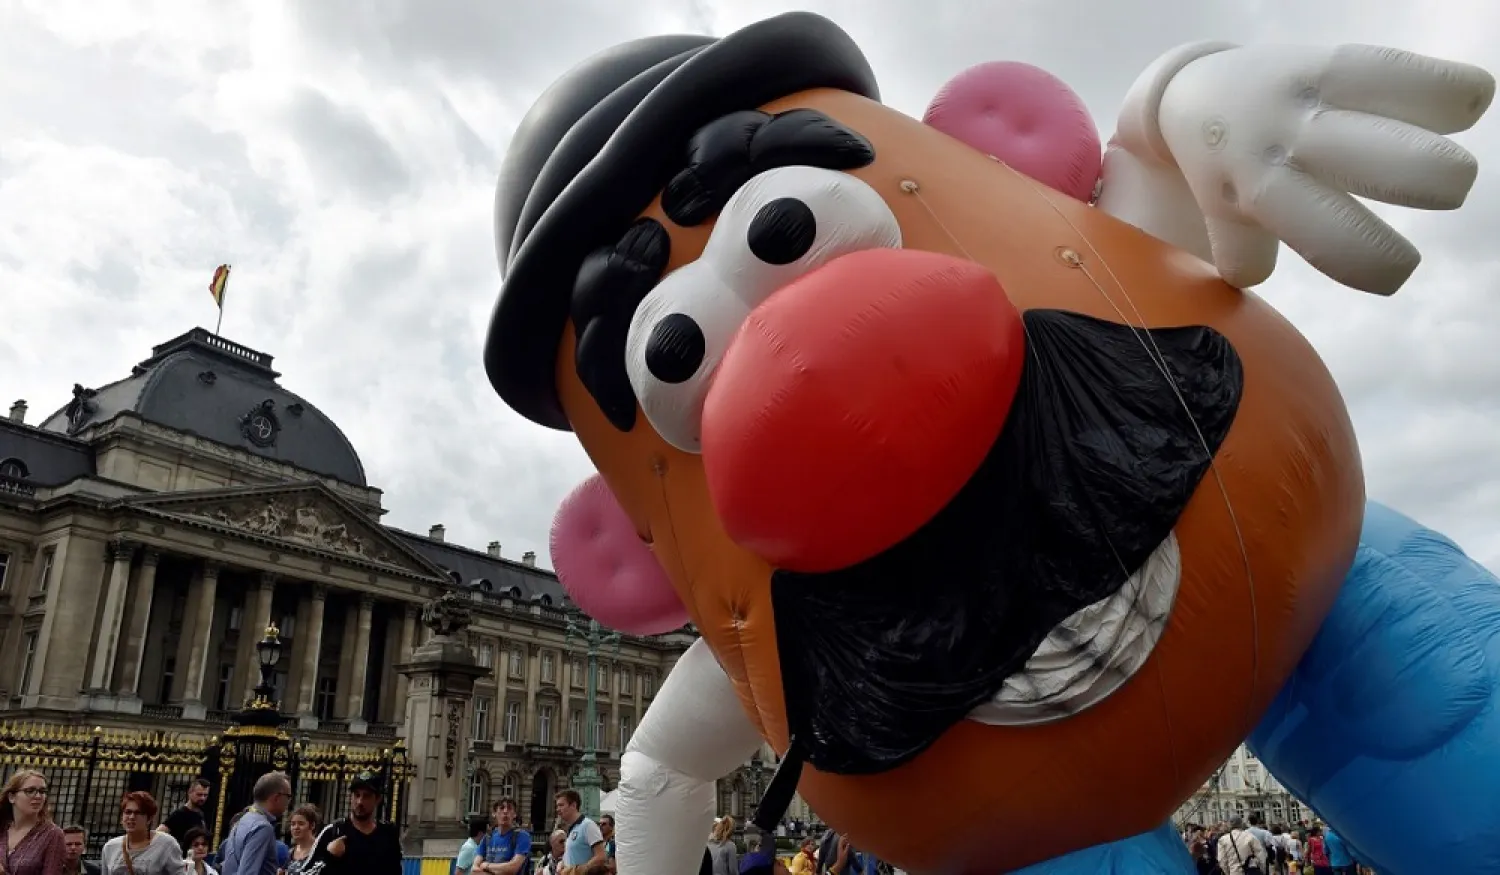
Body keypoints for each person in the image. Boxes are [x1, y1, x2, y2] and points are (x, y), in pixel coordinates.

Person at [317, 772, 402, 875]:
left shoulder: (388, 835)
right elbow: (310, 870)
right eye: (356, 795)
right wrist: (329, 855)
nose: (360, 801)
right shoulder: (333, 831)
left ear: (377, 799)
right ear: (350, 797)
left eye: (366, 796)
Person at [217, 772, 293, 875]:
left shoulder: (243, 820)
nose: (289, 801)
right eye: (288, 796)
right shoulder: (262, 827)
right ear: (276, 797)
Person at [0, 770, 66, 875]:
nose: (38, 796)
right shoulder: (2, 828)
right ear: (12, 797)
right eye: (30, 791)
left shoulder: (53, 834)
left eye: (42, 791)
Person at [101, 792, 183, 875]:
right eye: (128, 812)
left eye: (138, 813)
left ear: (149, 818)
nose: (131, 817)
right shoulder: (110, 847)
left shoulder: (167, 845)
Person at [552, 791, 603, 875]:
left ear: (573, 805)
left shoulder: (588, 825)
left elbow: (601, 857)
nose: (557, 809)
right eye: (557, 806)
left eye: (561, 805)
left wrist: (578, 870)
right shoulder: (571, 828)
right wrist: (562, 863)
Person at [475, 799, 530, 875]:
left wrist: (486, 865)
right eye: (501, 808)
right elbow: (474, 870)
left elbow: (512, 868)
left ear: (514, 814)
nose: (505, 811)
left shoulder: (521, 836)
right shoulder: (488, 838)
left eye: (509, 808)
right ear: (494, 813)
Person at [159, 780, 212, 846]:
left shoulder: (201, 814)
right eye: (199, 794)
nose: (202, 798)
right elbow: (158, 833)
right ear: (190, 792)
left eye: (205, 795)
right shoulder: (179, 814)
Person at [279, 806, 321, 875]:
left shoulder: (321, 850)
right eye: (293, 824)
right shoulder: (290, 853)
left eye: (301, 823)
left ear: (312, 825)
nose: (296, 827)